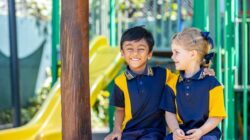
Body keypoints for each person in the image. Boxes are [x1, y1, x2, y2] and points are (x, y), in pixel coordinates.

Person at [104, 26, 215, 140]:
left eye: (141, 49)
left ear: (150, 54)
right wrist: (116, 130)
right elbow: (120, 110)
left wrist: (204, 70)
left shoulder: (163, 75)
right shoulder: (120, 81)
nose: (135, 53)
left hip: (153, 132)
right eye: (129, 49)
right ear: (122, 52)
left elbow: (188, 76)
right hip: (128, 131)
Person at [160, 28, 226, 140]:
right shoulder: (171, 84)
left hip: (206, 133)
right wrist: (176, 130)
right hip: (181, 133)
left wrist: (201, 131)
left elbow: (217, 116)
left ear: (192, 54)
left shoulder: (213, 84)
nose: (172, 57)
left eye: (177, 52)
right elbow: (169, 112)